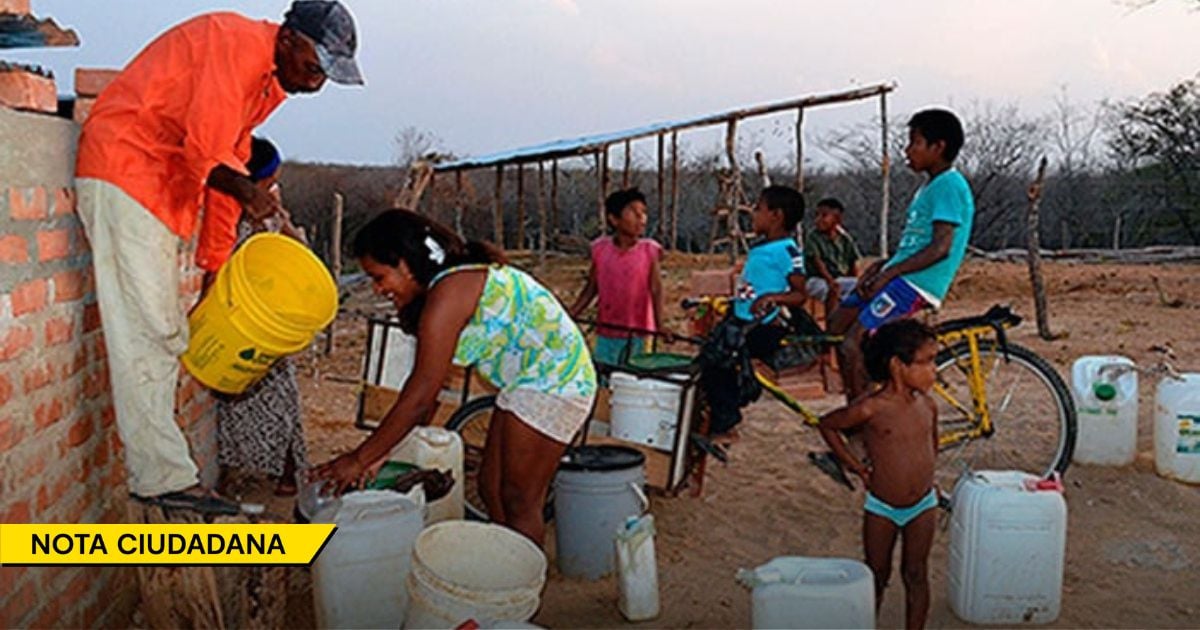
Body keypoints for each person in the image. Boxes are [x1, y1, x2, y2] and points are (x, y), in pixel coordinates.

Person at [74, 1, 362, 515]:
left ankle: (162, 472)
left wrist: (216, 271)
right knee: (150, 331)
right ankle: (160, 477)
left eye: (326, 77)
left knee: (164, 332)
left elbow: (227, 170)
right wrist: (249, 192)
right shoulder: (234, 45)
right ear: (291, 38)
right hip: (126, 170)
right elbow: (208, 155)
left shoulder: (265, 83)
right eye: (315, 68)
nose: (316, 84)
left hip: (157, 191)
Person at [313, 209, 597, 546]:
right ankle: (505, 563)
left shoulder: (450, 293)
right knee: (490, 487)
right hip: (525, 384)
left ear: (406, 263)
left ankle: (520, 586)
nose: (377, 289)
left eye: (379, 277)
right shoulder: (445, 288)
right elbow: (426, 392)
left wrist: (358, 459)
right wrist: (381, 452)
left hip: (557, 384)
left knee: (519, 500)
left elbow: (419, 396)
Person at [827, 108, 975, 402]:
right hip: (900, 276)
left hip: (917, 284)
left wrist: (890, 274)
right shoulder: (928, 187)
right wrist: (879, 268)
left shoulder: (949, 184)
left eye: (914, 143)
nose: (907, 151)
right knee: (835, 326)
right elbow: (913, 245)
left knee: (851, 343)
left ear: (938, 147)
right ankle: (865, 401)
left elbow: (940, 247)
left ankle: (865, 430)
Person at [817, 319, 941, 630]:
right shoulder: (871, 408)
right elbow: (828, 425)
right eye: (926, 362)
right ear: (897, 365)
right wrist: (854, 466)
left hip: (923, 506)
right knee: (876, 574)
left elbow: (932, 446)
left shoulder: (928, 405)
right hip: (882, 508)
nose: (934, 369)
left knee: (916, 574)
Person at [216, 138, 308, 497]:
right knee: (238, 401)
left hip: (269, 316)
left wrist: (281, 218)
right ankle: (240, 470)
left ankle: (287, 472)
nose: (274, 188)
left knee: (282, 396)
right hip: (243, 317)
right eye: (269, 182)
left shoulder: (268, 212)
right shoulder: (229, 213)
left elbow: (296, 247)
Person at [700, 185, 808, 441]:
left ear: (776, 216)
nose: (753, 214)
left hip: (763, 325)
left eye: (758, 209)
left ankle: (726, 424)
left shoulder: (788, 251)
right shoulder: (762, 247)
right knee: (710, 355)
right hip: (740, 318)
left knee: (719, 362)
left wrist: (772, 298)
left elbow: (799, 294)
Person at [568, 188, 668, 366]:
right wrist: (572, 314)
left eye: (644, 213)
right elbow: (592, 287)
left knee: (634, 378)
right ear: (614, 219)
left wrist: (660, 326)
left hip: (640, 333)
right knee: (606, 376)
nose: (641, 218)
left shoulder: (649, 250)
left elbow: (656, 289)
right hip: (608, 331)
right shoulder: (600, 249)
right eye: (633, 213)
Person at [804, 197, 862, 316]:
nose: (818, 220)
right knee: (830, 291)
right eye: (817, 215)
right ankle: (832, 323)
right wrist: (831, 282)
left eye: (824, 216)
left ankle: (848, 317)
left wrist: (857, 282)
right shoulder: (813, 237)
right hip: (817, 279)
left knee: (860, 288)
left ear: (837, 219)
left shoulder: (845, 240)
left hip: (839, 279)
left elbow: (853, 264)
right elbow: (818, 263)